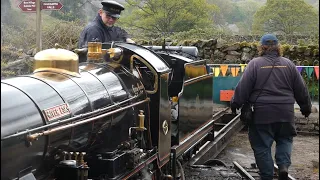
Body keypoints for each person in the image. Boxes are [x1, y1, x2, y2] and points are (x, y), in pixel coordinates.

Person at [230, 34, 312, 180]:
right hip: (285, 112)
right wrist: (306, 108)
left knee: (261, 145)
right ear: (278, 47)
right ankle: (283, 167)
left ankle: (267, 175)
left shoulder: (255, 64)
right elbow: (301, 89)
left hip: (262, 113)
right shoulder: (289, 64)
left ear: (262, 47)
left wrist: (235, 103)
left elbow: (243, 87)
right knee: (285, 139)